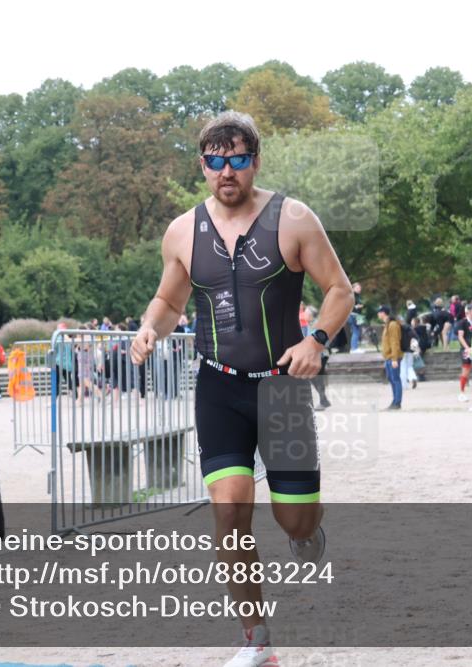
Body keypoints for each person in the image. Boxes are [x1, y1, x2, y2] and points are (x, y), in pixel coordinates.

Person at [128, 111, 353, 667]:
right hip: (218, 386)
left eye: (237, 159)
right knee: (228, 511)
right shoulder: (182, 231)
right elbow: (169, 300)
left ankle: (307, 533)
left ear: (255, 161)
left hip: (282, 390)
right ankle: (257, 640)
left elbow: (340, 291)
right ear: (202, 165)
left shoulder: (294, 219)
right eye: (215, 161)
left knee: (294, 519)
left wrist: (315, 341)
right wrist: (149, 328)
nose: (226, 171)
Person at [378, 306, 403, 410]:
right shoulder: (387, 325)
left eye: (379, 312)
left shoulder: (392, 325)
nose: (378, 314)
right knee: (391, 379)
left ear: (383, 313)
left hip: (393, 357)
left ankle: (397, 403)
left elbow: (395, 342)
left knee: (396, 379)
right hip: (388, 357)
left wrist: (394, 358)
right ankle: (394, 401)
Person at [454, 308, 472, 402]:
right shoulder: (462, 323)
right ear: (468, 312)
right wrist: (467, 348)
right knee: (466, 370)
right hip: (467, 350)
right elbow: (460, 337)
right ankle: (462, 393)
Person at [349, 282, 365, 353]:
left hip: (358, 315)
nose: (359, 289)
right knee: (356, 331)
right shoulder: (352, 296)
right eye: (357, 288)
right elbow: (351, 307)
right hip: (354, 315)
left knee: (357, 331)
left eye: (360, 288)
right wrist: (358, 306)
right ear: (353, 288)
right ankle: (354, 348)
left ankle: (355, 347)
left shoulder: (358, 296)